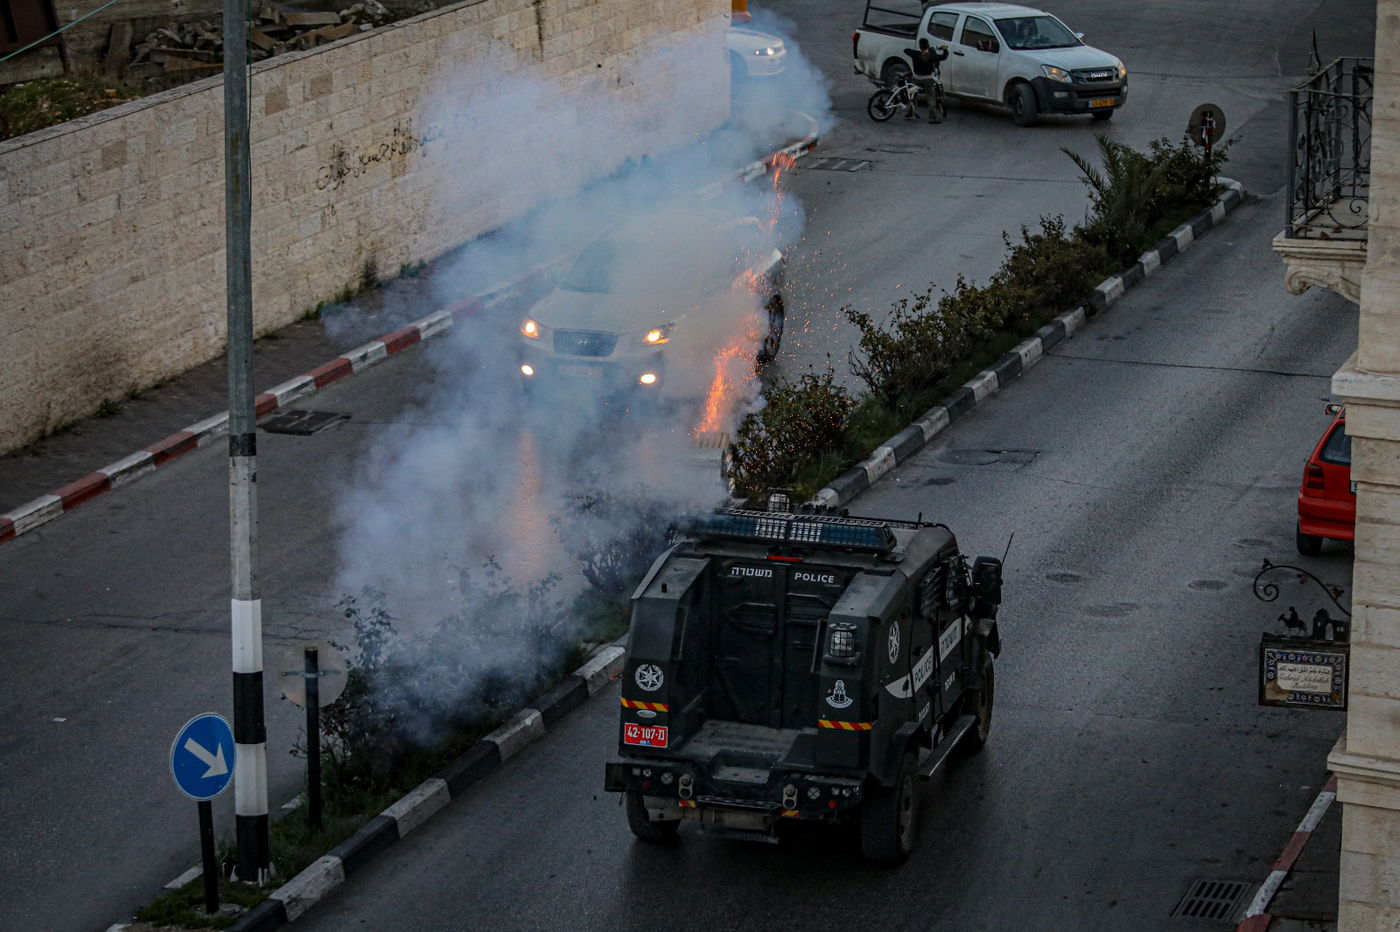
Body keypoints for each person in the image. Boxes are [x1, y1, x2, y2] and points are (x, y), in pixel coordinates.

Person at [902, 38, 949, 122]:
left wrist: (916, 52)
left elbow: (906, 50)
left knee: (913, 95)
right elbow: (943, 57)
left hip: (916, 79)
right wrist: (945, 49)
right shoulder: (932, 56)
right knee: (931, 97)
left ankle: (909, 111)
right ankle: (932, 117)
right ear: (927, 45)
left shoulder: (915, 54)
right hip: (927, 80)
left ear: (920, 47)